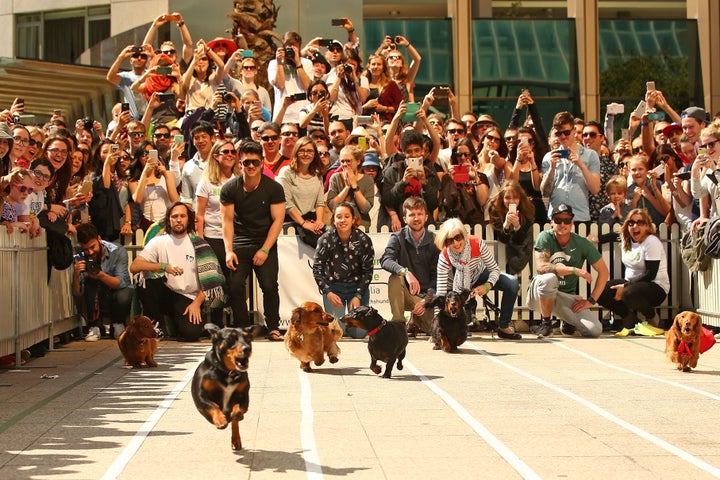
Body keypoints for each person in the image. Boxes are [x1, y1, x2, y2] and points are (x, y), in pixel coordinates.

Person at [130, 202, 225, 341]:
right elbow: (134, 266)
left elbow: (212, 281)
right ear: (169, 220)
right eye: (175, 216)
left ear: (188, 219)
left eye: (182, 216)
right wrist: (163, 267)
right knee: (145, 279)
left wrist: (197, 303)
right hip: (165, 291)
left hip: (188, 297)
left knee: (191, 333)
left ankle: (175, 323)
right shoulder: (159, 242)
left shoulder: (200, 245)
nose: (179, 220)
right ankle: (156, 325)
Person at [220, 140, 286, 341]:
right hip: (240, 240)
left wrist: (265, 249)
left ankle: (273, 327)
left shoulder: (274, 188)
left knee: (269, 285)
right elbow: (227, 222)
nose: (250, 166)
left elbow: (278, 220)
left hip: (265, 241)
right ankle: (242, 327)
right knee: (235, 285)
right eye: (246, 162)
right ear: (240, 163)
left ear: (262, 163)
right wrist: (229, 250)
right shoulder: (230, 188)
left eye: (255, 163)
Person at [527, 203, 609, 338]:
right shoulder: (545, 237)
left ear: (572, 223)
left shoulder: (582, 243)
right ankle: (546, 323)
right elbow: (542, 268)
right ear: (551, 222)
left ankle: (567, 321)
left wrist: (591, 300)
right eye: (558, 220)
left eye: (567, 220)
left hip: (565, 296)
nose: (562, 224)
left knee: (594, 330)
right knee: (549, 278)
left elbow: (604, 272)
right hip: (539, 293)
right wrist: (575, 270)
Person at [434, 218, 521, 339]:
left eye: (458, 237)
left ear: (464, 235)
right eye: (450, 240)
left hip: (479, 275)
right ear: (445, 242)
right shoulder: (444, 256)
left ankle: (504, 326)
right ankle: (459, 325)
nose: (455, 243)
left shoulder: (477, 243)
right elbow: (440, 294)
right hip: (454, 287)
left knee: (512, 283)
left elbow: (495, 269)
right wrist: (437, 329)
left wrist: (487, 285)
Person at [597, 209, 669, 335]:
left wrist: (625, 286)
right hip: (632, 285)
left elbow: (650, 274)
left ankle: (652, 317)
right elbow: (614, 235)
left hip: (656, 287)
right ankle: (629, 319)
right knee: (600, 291)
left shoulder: (651, 242)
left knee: (628, 292)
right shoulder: (626, 238)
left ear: (647, 226)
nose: (635, 226)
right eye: (631, 223)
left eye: (640, 222)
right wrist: (597, 239)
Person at [312, 202, 374, 338]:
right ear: (333, 220)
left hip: (357, 288)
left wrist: (358, 296)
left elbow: (368, 271)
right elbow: (317, 269)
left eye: (347, 216)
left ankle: (350, 322)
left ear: (353, 219)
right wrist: (328, 292)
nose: (343, 220)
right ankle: (340, 320)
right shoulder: (325, 239)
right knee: (336, 334)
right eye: (339, 217)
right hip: (334, 288)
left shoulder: (364, 240)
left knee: (359, 334)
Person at [380, 196, 439, 335]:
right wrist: (405, 272)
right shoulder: (397, 237)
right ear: (405, 219)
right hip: (405, 294)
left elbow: (438, 277)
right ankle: (398, 324)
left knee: (435, 329)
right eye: (412, 214)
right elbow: (385, 260)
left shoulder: (435, 241)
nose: (416, 218)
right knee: (395, 278)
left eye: (419, 214)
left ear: (426, 217)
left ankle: (414, 321)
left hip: (426, 298)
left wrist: (426, 300)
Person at [196, 140, 240, 326]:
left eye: (233, 151)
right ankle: (215, 323)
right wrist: (200, 240)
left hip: (236, 237)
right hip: (212, 237)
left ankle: (236, 320)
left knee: (234, 282)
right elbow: (199, 214)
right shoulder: (206, 182)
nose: (230, 154)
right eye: (225, 152)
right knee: (215, 282)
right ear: (216, 156)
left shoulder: (240, 179)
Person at [72, 223, 132, 341]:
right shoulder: (80, 257)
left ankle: (118, 324)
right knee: (89, 283)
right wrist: (76, 274)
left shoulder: (117, 251)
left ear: (99, 239)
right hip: (94, 294)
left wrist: (100, 275)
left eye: (92, 247)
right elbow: (77, 293)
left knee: (125, 293)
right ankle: (94, 326)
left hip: (115, 292)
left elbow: (120, 283)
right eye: (85, 249)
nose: (90, 252)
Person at [540, 111, 601, 223]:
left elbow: (595, 189)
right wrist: (551, 168)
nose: (563, 136)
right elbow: (545, 192)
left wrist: (581, 165)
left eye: (566, 132)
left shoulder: (590, 155)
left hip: (579, 217)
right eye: (559, 134)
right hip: (556, 217)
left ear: (574, 131)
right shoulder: (549, 157)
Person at [276, 136, 326, 247]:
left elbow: (320, 203)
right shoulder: (286, 172)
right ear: (296, 152)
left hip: (312, 223)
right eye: (302, 150)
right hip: (291, 224)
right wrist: (303, 223)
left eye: (309, 151)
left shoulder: (317, 175)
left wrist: (318, 221)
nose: (305, 154)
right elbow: (287, 203)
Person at [487, 180, 535, 275]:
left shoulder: (527, 211)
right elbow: (502, 240)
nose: (511, 201)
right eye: (507, 198)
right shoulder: (495, 210)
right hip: (498, 255)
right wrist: (506, 225)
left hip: (520, 254)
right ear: (502, 198)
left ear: (520, 198)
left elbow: (521, 241)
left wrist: (517, 226)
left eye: (515, 198)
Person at [326, 145, 374, 230]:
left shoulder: (368, 180)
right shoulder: (335, 178)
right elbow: (332, 206)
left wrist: (354, 186)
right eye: (342, 161)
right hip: (339, 227)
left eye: (348, 161)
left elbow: (365, 208)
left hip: (361, 226)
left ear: (358, 161)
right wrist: (347, 187)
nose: (345, 164)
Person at [627, 154, 669, 227]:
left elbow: (666, 212)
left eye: (640, 169)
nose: (637, 172)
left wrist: (649, 196)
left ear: (646, 170)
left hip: (659, 228)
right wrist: (634, 200)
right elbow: (628, 218)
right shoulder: (629, 190)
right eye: (633, 170)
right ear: (629, 171)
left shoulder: (658, 185)